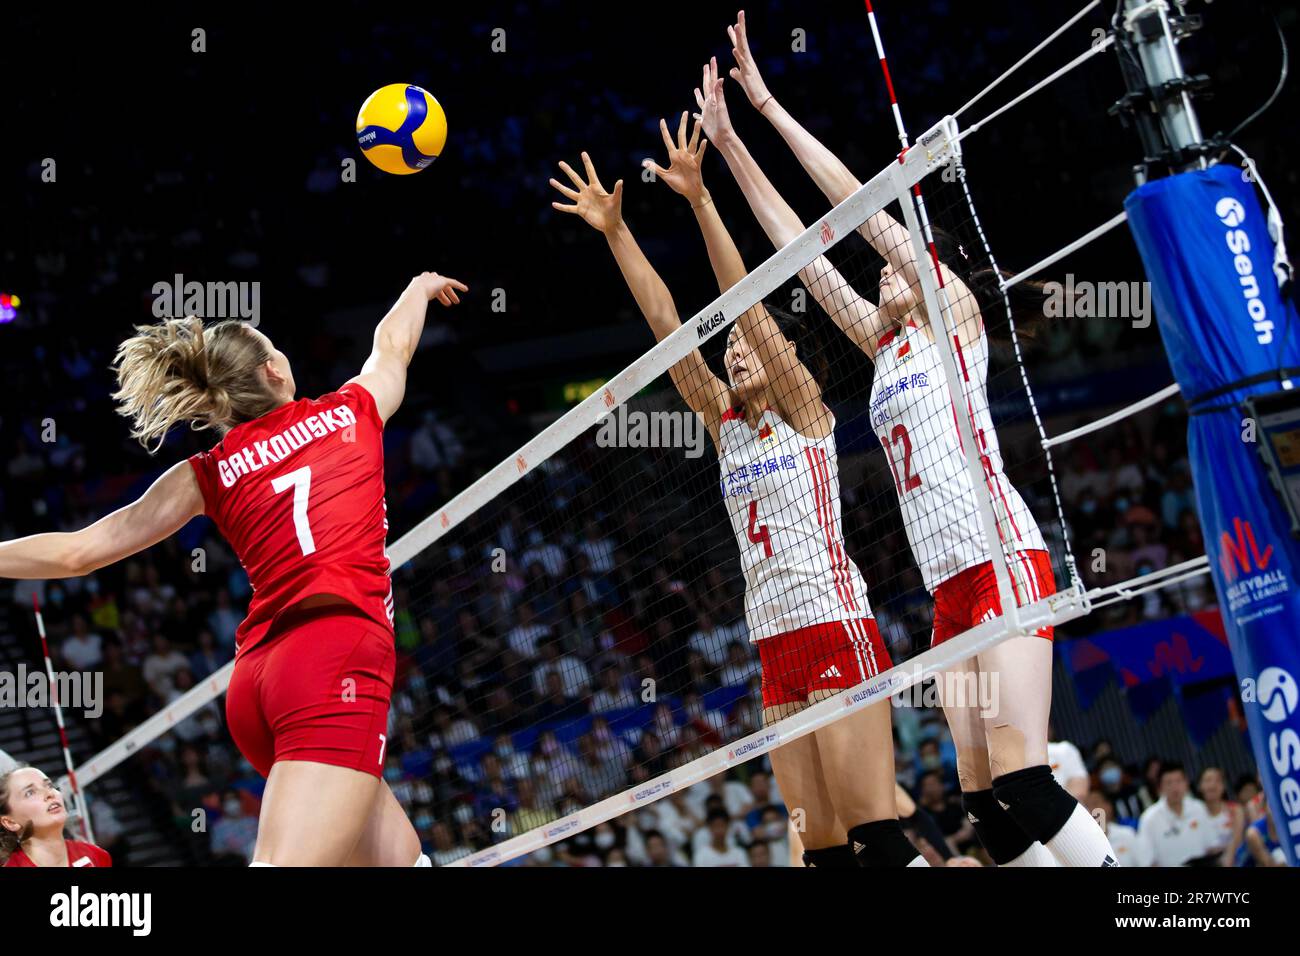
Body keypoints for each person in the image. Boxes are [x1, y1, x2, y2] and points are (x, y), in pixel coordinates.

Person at [692, 10, 1117, 867]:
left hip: (1002, 562)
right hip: (950, 590)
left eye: (895, 264)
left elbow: (855, 211)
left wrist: (773, 107)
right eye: (883, 269)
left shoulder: (951, 319)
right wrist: (732, 149)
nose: (883, 272)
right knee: (986, 808)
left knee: (1023, 781)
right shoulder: (880, 346)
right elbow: (801, 251)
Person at [0, 272, 467, 866]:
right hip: (335, 657)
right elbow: (391, 346)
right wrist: (419, 287)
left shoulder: (208, 471)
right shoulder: (353, 410)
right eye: (274, 346)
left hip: (258, 683)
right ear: (274, 370)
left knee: (400, 860)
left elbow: (78, 552)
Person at [551, 141, 920, 867]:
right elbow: (667, 328)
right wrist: (619, 232)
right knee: (821, 850)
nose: (736, 353)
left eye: (752, 347)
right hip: (774, 647)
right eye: (730, 353)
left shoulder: (804, 413)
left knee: (874, 833)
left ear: (788, 358)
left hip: (835, 624)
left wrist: (700, 199)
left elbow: (746, 303)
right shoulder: (722, 425)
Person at [1, 766, 112, 867]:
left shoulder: (96, 856)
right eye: (30, 792)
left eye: (49, 785)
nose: (50, 793)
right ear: (10, 822)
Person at [1137, 762, 1214, 866]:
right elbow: (1147, 861)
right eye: (1169, 783)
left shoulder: (1199, 808)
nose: (1175, 787)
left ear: (1186, 783)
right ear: (1160, 787)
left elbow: (1212, 846)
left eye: (1179, 781)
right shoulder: (1149, 818)